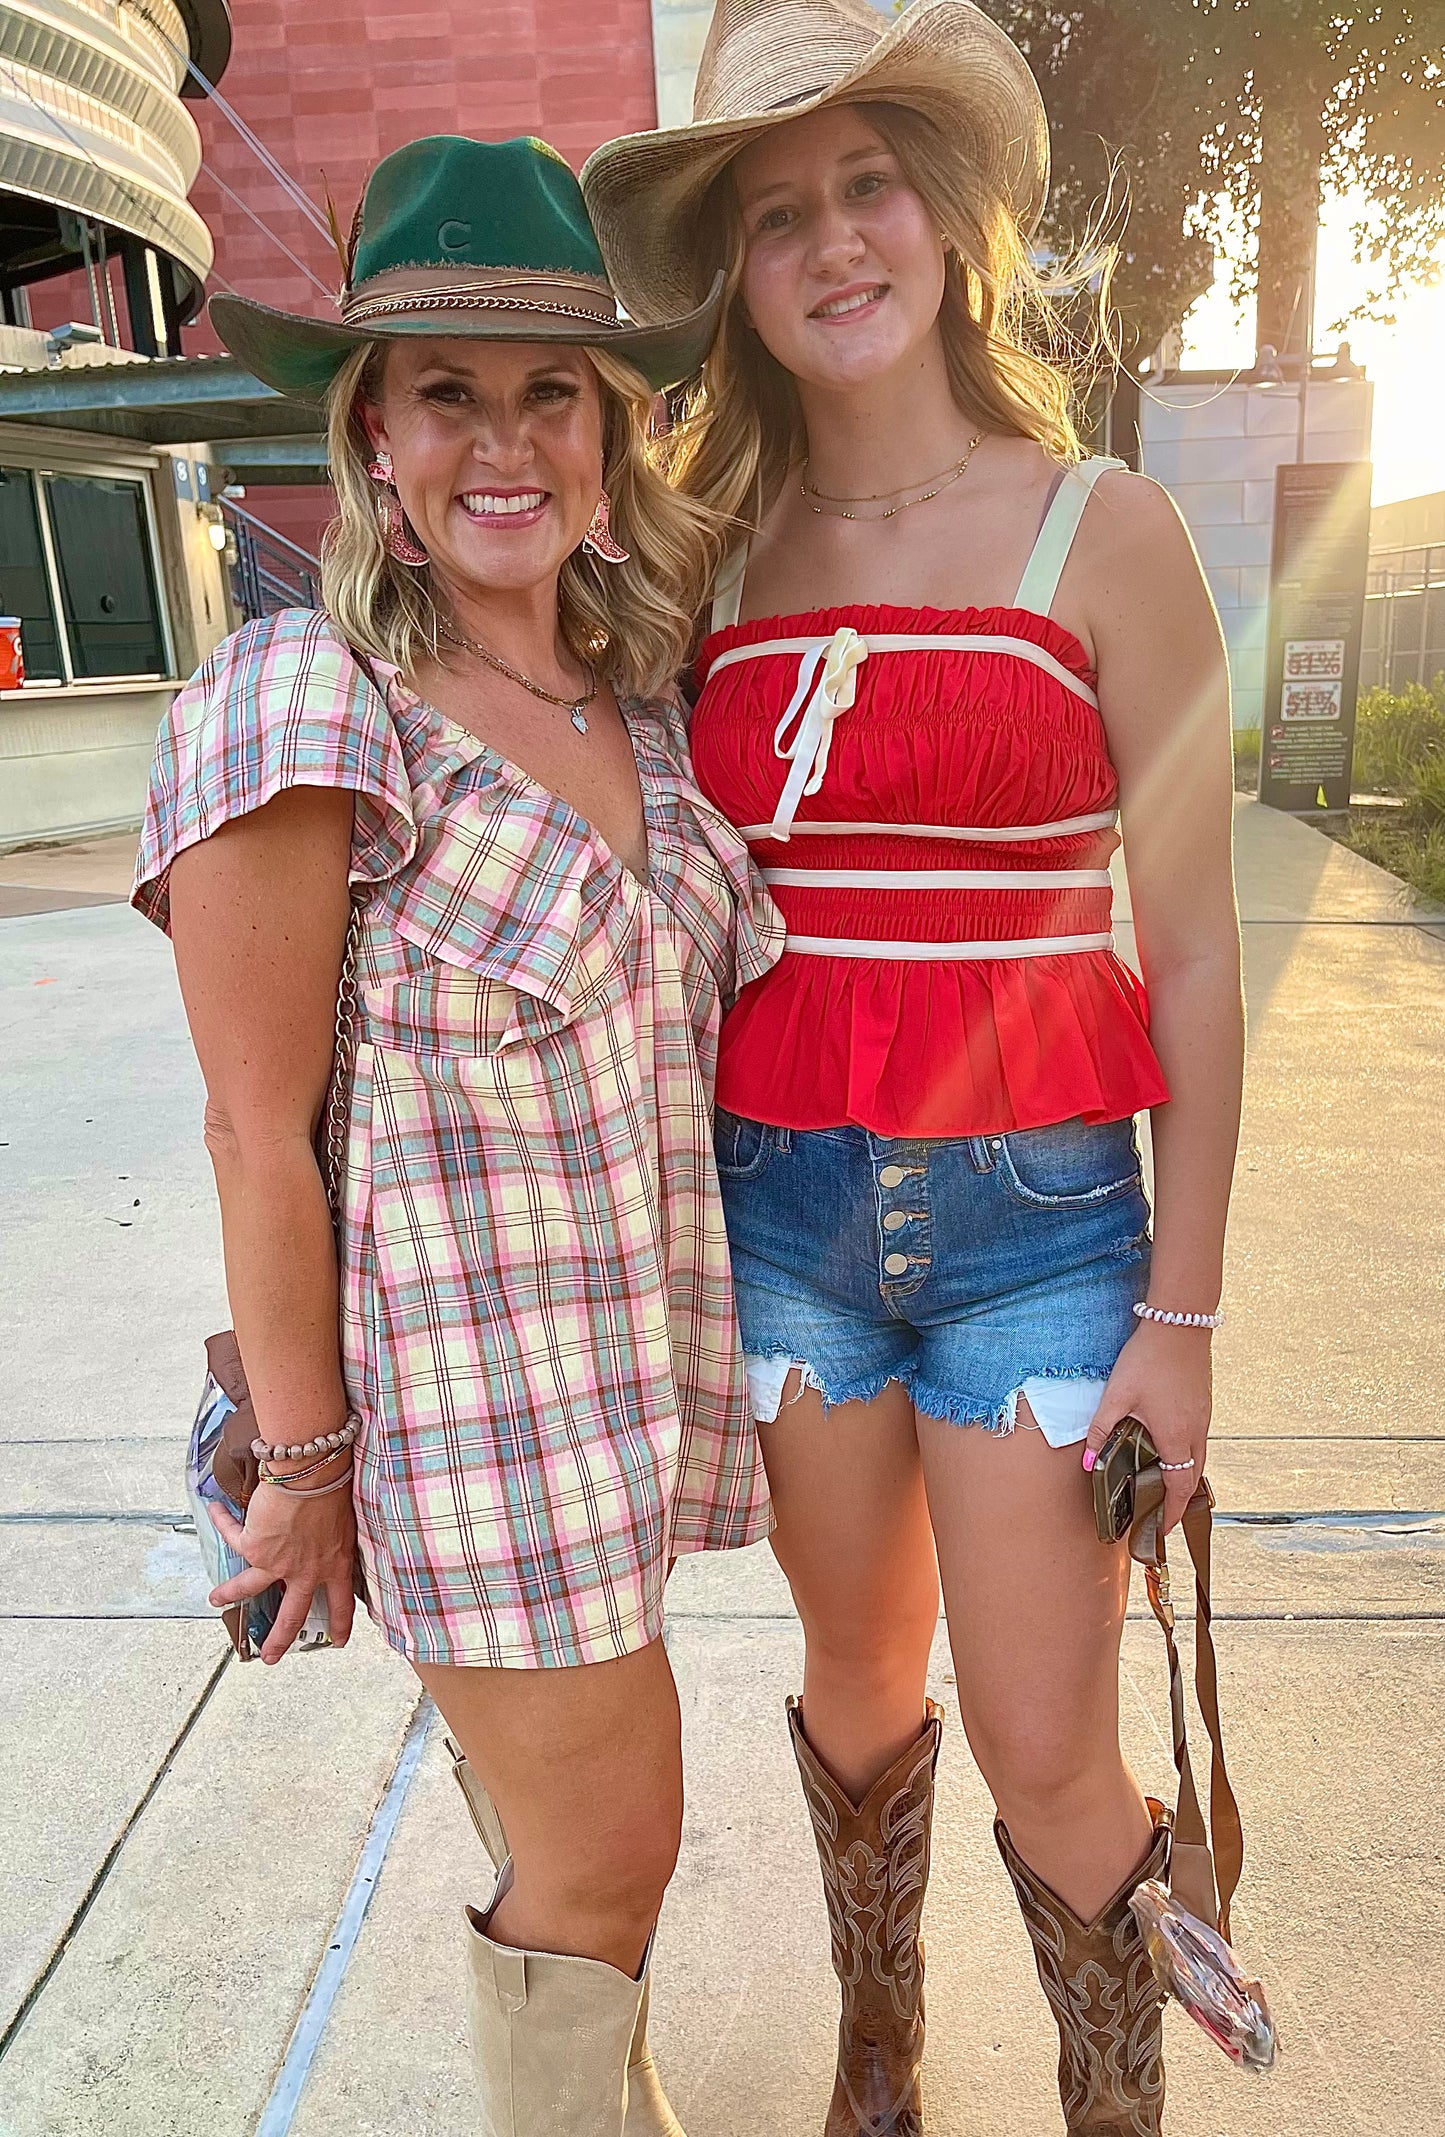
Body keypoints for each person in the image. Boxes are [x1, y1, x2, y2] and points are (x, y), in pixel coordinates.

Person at [583, 4, 1243, 2131]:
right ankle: (884, 2044)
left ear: (949, 227)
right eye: (779, 213)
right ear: (740, 282)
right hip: (779, 1211)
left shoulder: (1105, 531)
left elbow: (1203, 946)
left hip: (1042, 1233)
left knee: (1054, 1749)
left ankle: (1111, 2105)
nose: (832, 239)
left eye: (870, 187)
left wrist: (1189, 1321)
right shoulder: (702, 557)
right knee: (861, 1686)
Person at [131, 135, 781, 2137]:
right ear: (375, 441)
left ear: (615, 434)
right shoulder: (308, 696)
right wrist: (304, 1467)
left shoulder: (641, 700)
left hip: (626, 1410)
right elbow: (254, 1131)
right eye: (446, 390)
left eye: (550, 390)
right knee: (611, 1847)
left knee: (573, 1851)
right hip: (464, 1431)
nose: (503, 440)